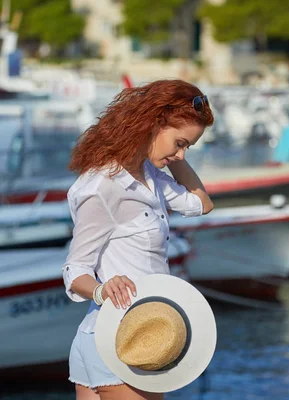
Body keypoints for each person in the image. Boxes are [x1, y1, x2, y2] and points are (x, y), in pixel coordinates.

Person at [62, 79, 214, 400]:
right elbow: (75, 272)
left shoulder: (150, 176)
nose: (181, 154)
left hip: (118, 339)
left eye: (188, 147)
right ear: (155, 122)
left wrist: (176, 153)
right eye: (179, 143)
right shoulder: (103, 187)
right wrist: (102, 289)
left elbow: (201, 203)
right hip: (127, 343)